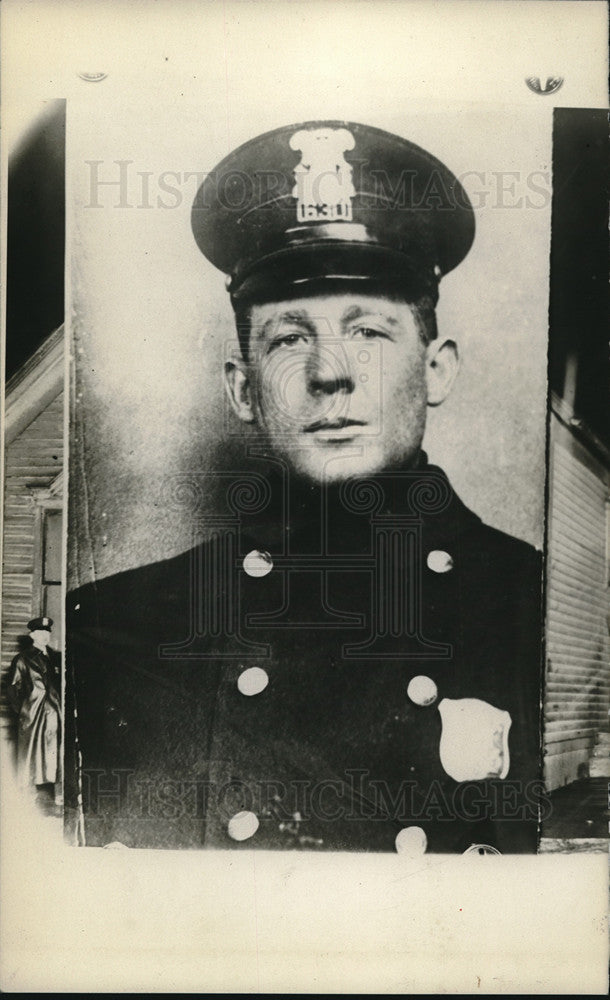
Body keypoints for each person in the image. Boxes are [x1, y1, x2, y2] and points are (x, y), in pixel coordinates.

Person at [66, 120, 544, 854]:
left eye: (370, 334)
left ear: (439, 368)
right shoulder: (111, 629)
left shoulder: (538, 609)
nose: (329, 373)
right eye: (289, 339)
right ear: (242, 390)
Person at [8, 616, 63, 806]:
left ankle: (56, 792)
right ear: (32, 635)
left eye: (47, 632)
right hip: (33, 715)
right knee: (31, 754)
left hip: (56, 714)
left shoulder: (57, 657)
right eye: (40, 632)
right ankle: (29, 794)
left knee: (55, 752)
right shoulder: (22, 659)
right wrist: (23, 712)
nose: (45, 636)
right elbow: (12, 689)